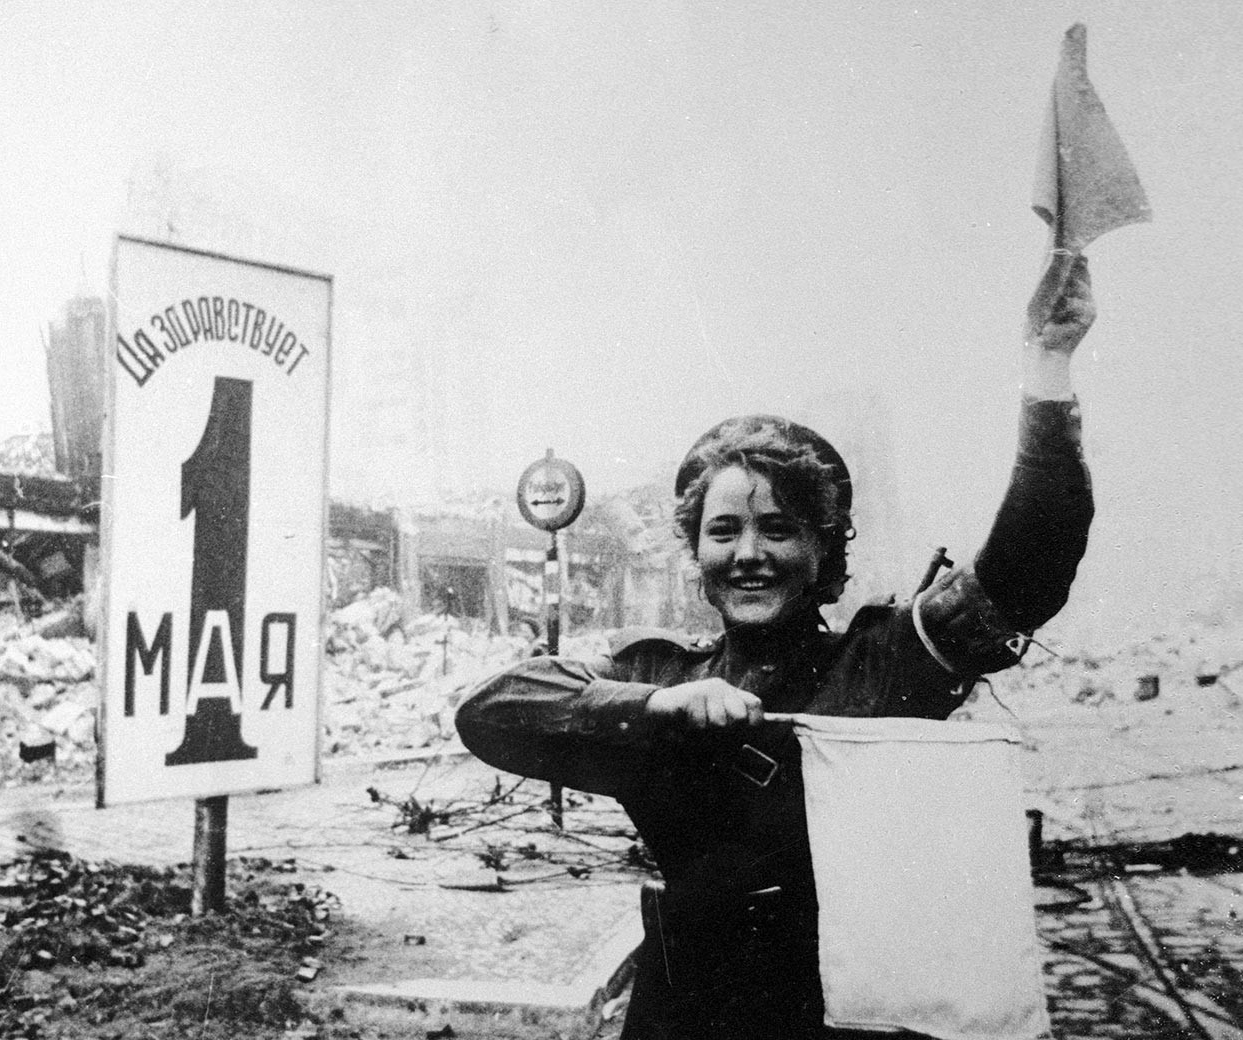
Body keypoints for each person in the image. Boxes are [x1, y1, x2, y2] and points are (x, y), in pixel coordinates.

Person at [456, 259, 1096, 1039]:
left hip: (839, 1018)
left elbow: (1030, 567)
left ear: (823, 552)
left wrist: (1049, 368)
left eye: (780, 528)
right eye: (723, 531)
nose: (749, 552)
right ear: (696, 551)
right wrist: (661, 707)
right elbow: (491, 711)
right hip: (681, 1017)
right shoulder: (656, 671)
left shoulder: (888, 661)